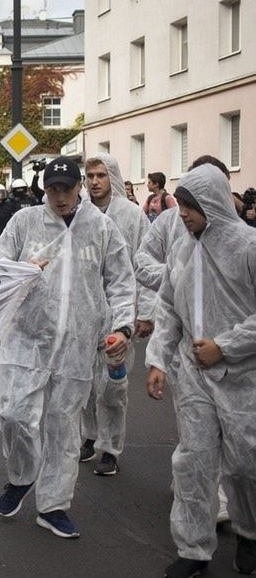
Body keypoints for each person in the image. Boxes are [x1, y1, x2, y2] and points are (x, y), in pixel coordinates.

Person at [0, 156, 135, 539]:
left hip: (77, 344)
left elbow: (121, 280)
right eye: (52, 189)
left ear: (79, 187)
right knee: (14, 415)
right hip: (26, 341)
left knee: (63, 428)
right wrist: (23, 271)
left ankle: (53, 506)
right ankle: (21, 476)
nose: (59, 197)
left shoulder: (101, 228)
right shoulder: (25, 222)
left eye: (66, 189)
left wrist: (122, 327)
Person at [144, 163, 256, 578]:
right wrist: (157, 359)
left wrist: (224, 346)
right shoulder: (181, 248)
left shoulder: (249, 247)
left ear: (211, 202)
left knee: (246, 463)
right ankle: (193, 548)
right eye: (181, 204)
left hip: (244, 377)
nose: (183, 213)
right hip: (193, 374)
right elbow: (170, 309)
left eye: (190, 206)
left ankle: (250, 531)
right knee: (192, 462)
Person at [78, 154, 152, 477]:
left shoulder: (133, 216)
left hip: (119, 315)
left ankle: (110, 448)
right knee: (85, 384)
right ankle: (89, 435)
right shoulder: (79, 215)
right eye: (90, 175)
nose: (94, 181)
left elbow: (146, 266)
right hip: (86, 313)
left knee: (113, 387)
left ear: (113, 178)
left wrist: (144, 311)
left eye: (101, 175)